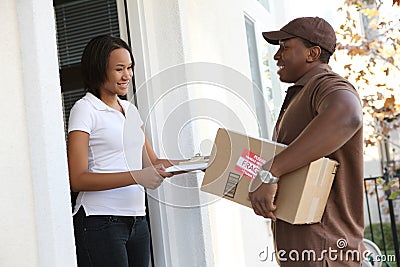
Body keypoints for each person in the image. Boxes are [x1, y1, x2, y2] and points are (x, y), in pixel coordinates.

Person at [248, 17, 367, 266]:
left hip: (325, 250)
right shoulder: (303, 92)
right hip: (306, 251)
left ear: (312, 53)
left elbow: (348, 115)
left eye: (285, 47)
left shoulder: (325, 84)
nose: (276, 56)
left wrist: (270, 171)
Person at [67, 35, 182, 267]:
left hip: (137, 220)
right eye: (119, 69)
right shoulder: (85, 109)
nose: (127, 75)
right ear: (99, 70)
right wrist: (137, 177)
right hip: (100, 221)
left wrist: (196, 163)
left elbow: (152, 163)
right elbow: (77, 179)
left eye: (129, 68)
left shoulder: (130, 110)